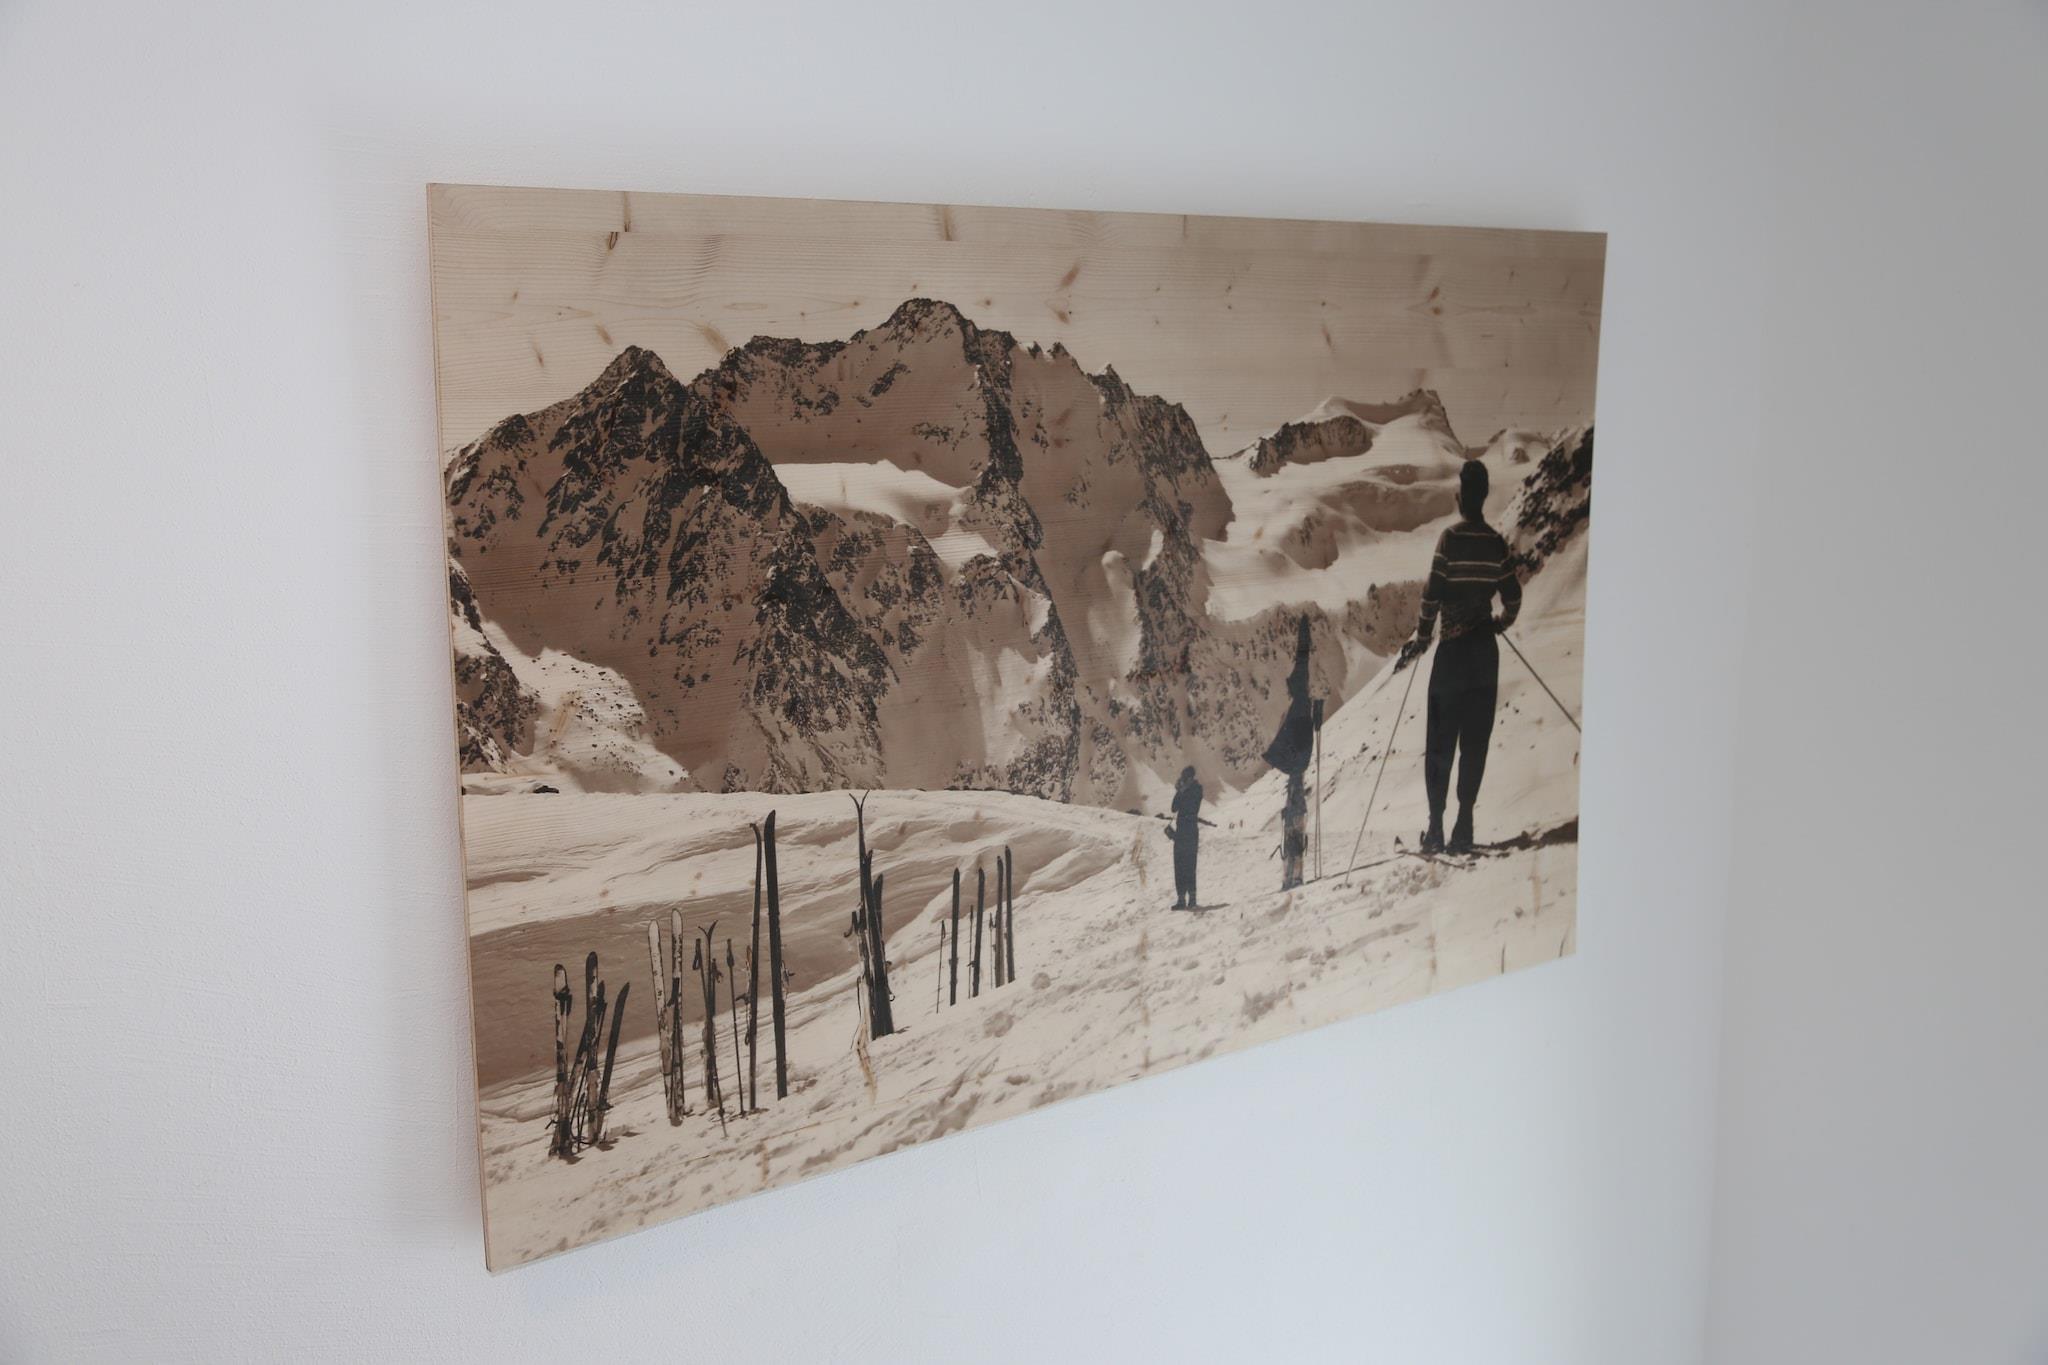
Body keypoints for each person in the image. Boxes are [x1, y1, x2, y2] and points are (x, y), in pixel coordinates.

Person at [1397, 459, 1522, 854]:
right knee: (1475, 741)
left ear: (1460, 496)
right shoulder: (1496, 543)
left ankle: (1435, 828)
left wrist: (1424, 636)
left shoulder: (1449, 539)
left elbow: (1431, 595)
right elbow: (1513, 597)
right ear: (1483, 496)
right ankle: (1464, 825)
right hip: (1484, 653)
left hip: (1451, 652)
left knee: (1440, 743)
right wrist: (1499, 623)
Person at [1264, 615, 1316, 889]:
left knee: (1293, 833)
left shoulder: (1300, 705)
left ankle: (1292, 877)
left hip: (1296, 776)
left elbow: (1302, 662)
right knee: (1295, 831)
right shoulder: (1302, 705)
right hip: (1297, 775)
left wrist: (1303, 636)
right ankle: (1293, 876)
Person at [1169, 765, 1204, 908]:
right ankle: (1186, 899)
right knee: (1184, 865)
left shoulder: (1195, 790)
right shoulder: (1194, 789)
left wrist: (1181, 791)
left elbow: (1186, 807)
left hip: (1186, 830)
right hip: (1186, 831)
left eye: (1184, 777)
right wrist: (1180, 791)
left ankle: (1187, 899)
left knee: (1185, 865)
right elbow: (1174, 808)